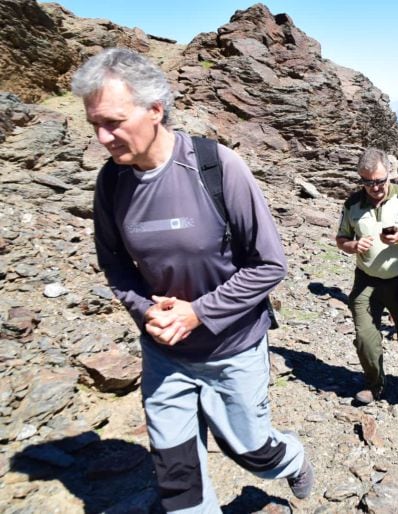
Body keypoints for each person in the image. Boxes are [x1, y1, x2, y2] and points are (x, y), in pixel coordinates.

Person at [72, 48, 313, 512]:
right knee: (178, 483)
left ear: (155, 110)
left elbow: (269, 265)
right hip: (166, 356)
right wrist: (147, 312)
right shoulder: (112, 182)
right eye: (94, 125)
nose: (103, 137)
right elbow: (116, 263)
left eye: (113, 122)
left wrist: (197, 313)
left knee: (251, 450)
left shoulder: (215, 167)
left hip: (233, 350)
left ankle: (291, 459)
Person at [336, 148, 398, 405]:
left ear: (390, 174)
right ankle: (375, 384)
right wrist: (352, 246)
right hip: (366, 278)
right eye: (368, 182)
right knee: (365, 335)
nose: (375, 187)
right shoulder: (353, 204)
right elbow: (341, 238)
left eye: (379, 180)